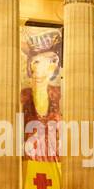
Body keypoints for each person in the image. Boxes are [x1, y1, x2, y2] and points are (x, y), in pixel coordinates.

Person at [21, 30, 62, 161]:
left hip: (54, 158)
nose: (39, 71)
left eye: (50, 62)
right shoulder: (23, 96)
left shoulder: (59, 94)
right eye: (36, 62)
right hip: (29, 158)